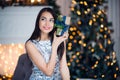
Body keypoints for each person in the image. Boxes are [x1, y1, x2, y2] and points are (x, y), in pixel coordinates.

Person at [25, 7, 70, 80]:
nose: (47, 24)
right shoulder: (30, 44)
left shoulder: (59, 40)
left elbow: (63, 67)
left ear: (54, 23)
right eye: (43, 19)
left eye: (51, 20)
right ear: (38, 21)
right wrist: (54, 45)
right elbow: (48, 72)